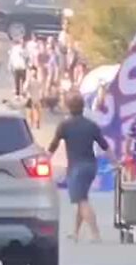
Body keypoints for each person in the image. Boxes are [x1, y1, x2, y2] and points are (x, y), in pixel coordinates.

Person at [48, 92, 112, 243]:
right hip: (91, 166)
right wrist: (115, 162)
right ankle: (75, 232)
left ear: (69, 108)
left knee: (81, 200)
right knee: (82, 197)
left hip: (76, 167)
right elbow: (105, 146)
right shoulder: (91, 125)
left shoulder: (65, 125)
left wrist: (46, 158)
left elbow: (54, 145)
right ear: (83, 107)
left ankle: (95, 234)